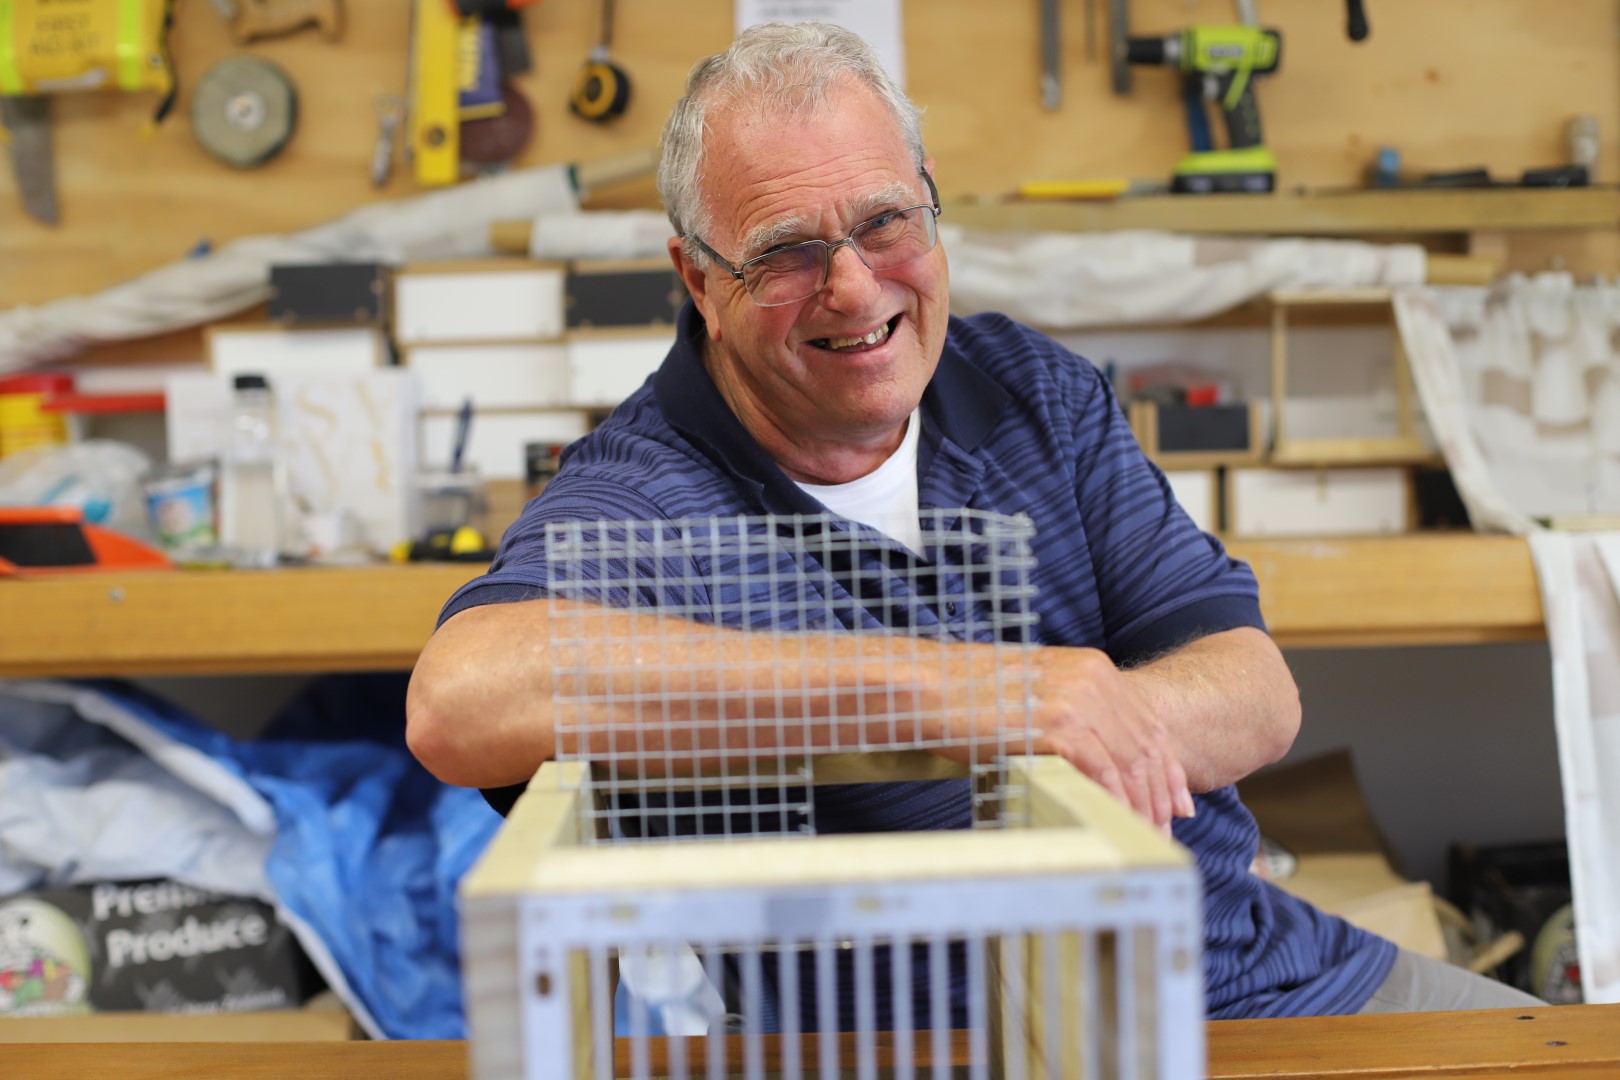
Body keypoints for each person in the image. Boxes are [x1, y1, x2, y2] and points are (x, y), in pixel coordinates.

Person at [407, 21, 1542, 1020]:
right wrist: (981, 698)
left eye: (886, 221)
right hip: (929, 1044)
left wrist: (1091, 716)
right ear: (697, 280)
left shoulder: (1031, 391)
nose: (854, 288)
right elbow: (460, 703)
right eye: (787, 252)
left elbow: (1253, 692)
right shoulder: (649, 489)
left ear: (932, 198)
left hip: (1254, 979)